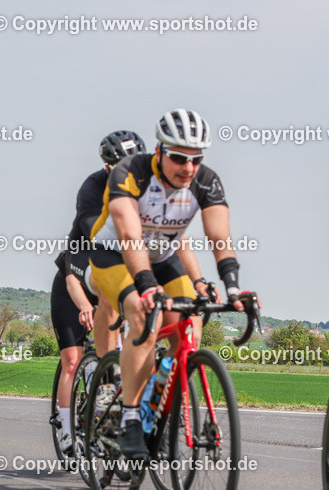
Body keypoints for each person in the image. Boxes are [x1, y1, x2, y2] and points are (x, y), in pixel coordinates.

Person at [89, 110, 252, 460]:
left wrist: (232, 287)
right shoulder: (129, 172)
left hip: (162, 258)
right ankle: (130, 418)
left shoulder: (206, 181)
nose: (188, 168)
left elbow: (219, 236)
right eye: (179, 158)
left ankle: (159, 407)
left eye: (196, 160)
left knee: (190, 323)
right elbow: (130, 236)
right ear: (160, 151)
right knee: (141, 314)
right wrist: (147, 286)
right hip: (113, 254)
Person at [51, 130, 145, 454]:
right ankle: (67, 431)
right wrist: (83, 306)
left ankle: (112, 379)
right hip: (77, 282)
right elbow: (72, 280)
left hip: (114, 274)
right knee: (72, 361)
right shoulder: (91, 198)